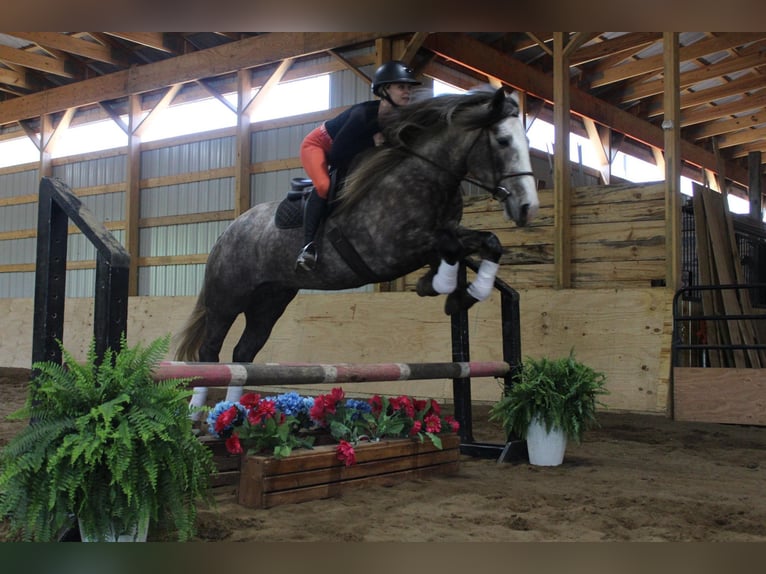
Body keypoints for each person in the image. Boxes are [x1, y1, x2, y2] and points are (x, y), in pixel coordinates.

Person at [295, 60, 421, 271]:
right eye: (401, 87)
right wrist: (371, 142)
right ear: (384, 90)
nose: (407, 92)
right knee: (324, 186)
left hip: (346, 150)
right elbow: (336, 156)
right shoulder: (361, 115)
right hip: (317, 146)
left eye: (409, 87)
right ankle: (307, 246)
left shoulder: (398, 118)